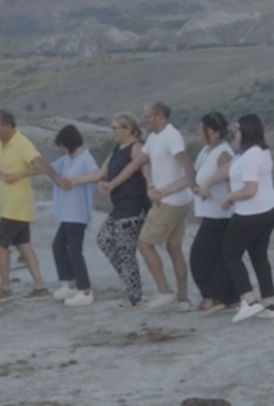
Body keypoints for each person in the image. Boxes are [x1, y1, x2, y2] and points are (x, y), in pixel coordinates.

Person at [0, 109, 50, 302]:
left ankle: (5, 288)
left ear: (8, 126)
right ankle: (40, 287)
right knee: (23, 245)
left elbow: (41, 166)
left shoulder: (23, 143)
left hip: (16, 205)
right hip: (11, 205)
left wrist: (19, 175)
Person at [224, 113, 274, 321]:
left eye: (236, 129)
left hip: (250, 214)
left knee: (230, 254)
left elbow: (250, 190)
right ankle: (268, 305)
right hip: (269, 210)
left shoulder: (250, 156)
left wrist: (230, 196)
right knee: (259, 256)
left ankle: (249, 301)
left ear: (245, 131)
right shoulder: (261, 151)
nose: (234, 133)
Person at [136, 102, 194, 308]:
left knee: (144, 243)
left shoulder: (171, 136)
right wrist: (150, 183)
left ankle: (164, 291)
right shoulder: (154, 137)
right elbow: (141, 160)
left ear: (159, 116)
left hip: (170, 202)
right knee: (173, 247)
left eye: (147, 115)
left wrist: (164, 191)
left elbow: (188, 169)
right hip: (180, 201)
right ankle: (182, 298)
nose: (144, 119)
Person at [38, 124, 103, 306]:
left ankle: (85, 289)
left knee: (74, 251)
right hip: (66, 213)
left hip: (78, 213)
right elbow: (49, 169)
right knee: (58, 247)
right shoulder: (66, 160)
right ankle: (69, 283)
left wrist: (75, 181)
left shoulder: (86, 159)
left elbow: (95, 175)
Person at [94, 114, 152, 308]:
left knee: (125, 248)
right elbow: (102, 173)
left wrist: (151, 187)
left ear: (129, 129)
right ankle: (131, 281)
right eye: (112, 127)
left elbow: (143, 167)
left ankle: (134, 295)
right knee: (104, 239)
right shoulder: (116, 149)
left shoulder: (136, 147)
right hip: (119, 205)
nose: (114, 132)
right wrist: (75, 181)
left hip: (134, 204)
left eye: (117, 128)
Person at [186, 113, 237, 314]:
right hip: (209, 212)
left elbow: (231, 175)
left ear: (215, 132)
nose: (199, 133)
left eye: (204, 129)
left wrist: (228, 197)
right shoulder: (207, 150)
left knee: (199, 256)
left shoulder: (223, 152)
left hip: (220, 214)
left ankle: (211, 296)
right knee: (216, 257)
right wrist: (197, 187)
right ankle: (227, 297)